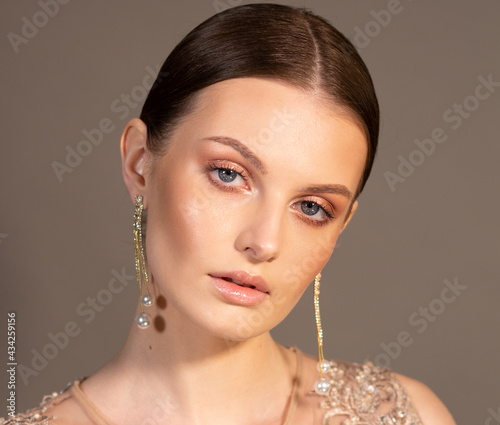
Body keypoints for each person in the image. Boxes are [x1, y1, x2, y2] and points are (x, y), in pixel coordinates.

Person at [3, 3, 456, 424]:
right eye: (228, 174)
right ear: (140, 162)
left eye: (313, 207)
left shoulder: (404, 414)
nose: (264, 242)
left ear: (341, 227)